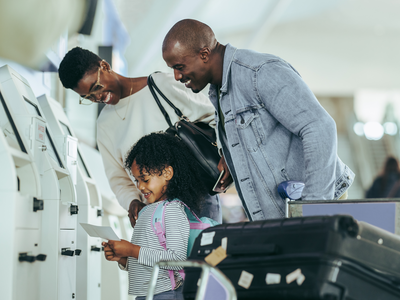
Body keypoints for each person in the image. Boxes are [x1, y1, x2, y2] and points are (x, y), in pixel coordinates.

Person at [162, 19, 355, 221]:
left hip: (312, 211)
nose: (176, 76)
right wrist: (232, 158)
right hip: (282, 217)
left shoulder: (258, 72)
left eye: (179, 67)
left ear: (204, 54)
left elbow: (320, 127)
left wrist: (313, 208)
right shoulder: (219, 91)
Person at [58, 47, 222, 223]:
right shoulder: (105, 124)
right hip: (155, 213)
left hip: (198, 198)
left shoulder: (160, 85)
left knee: (205, 250)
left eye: (96, 87)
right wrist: (132, 201)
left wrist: (225, 158)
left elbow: (214, 118)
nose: (98, 97)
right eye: (88, 97)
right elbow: (118, 178)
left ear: (105, 66)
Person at [102, 132, 208, 300]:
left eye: (145, 179)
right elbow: (148, 262)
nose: (140, 187)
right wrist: (123, 259)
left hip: (167, 294)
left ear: (167, 173)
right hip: (147, 294)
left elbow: (177, 259)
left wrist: (132, 250)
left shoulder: (172, 210)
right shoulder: (146, 211)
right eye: (137, 180)